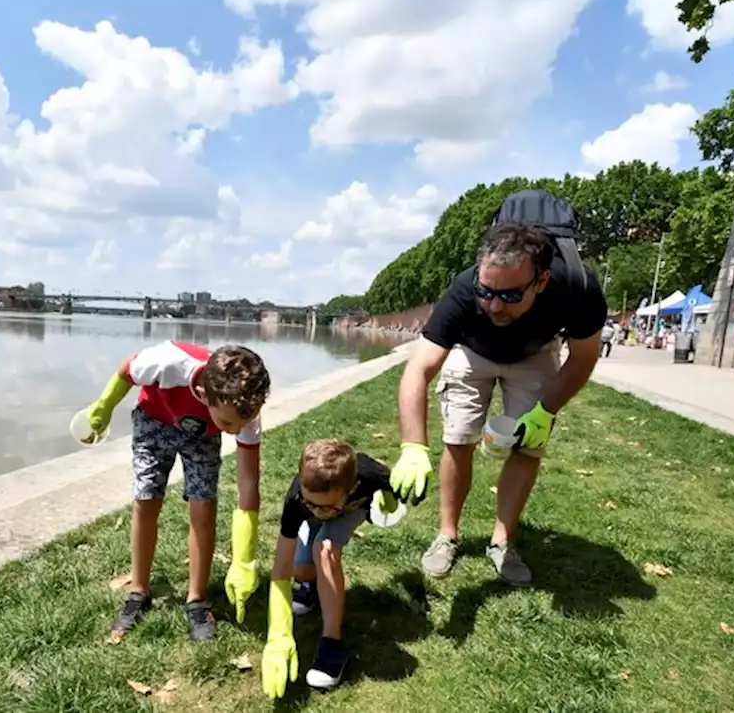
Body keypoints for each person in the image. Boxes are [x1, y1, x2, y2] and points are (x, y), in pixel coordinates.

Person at [389, 221, 607, 586]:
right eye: (486, 291)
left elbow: (584, 358)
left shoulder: (576, 288)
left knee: (528, 447)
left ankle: (502, 542)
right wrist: (412, 446)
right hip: (472, 351)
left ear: (540, 282)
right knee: (458, 439)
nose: (493, 304)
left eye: (508, 296)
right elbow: (418, 369)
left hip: (535, 353)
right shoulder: (463, 289)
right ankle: (447, 534)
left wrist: (545, 411)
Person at [81, 341, 271, 642]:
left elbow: (248, 483)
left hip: (201, 439)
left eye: (241, 425)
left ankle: (196, 599)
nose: (235, 431)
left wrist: (244, 559)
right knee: (146, 499)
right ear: (203, 394)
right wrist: (104, 407)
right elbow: (127, 369)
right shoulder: (169, 362)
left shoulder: (243, 411)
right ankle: (138, 592)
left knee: (203, 506)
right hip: (154, 422)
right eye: (227, 424)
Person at [260, 439, 398, 698]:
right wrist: (278, 634)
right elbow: (280, 568)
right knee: (300, 570)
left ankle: (332, 643)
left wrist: (387, 504)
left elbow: (393, 487)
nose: (315, 508)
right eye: (310, 501)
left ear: (352, 487)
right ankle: (312, 586)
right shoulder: (298, 500)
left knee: (324, 548)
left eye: (324, 505)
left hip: (350, 512)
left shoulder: (369, 474)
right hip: (317, 518)